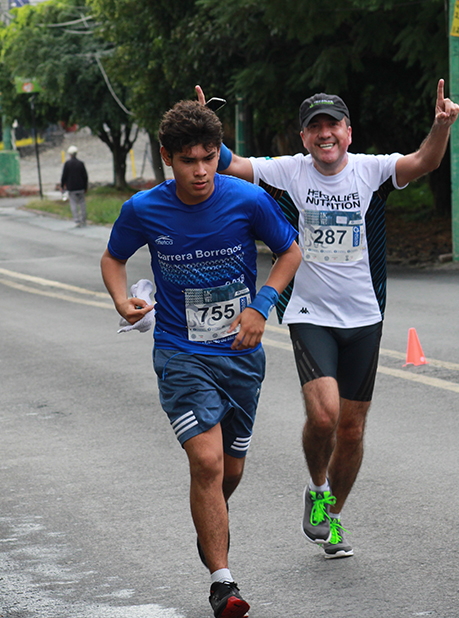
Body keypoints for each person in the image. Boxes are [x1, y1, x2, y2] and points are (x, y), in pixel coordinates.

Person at [196, 80, 459, 559]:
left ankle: (331, 515)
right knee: (324, 414)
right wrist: (206, 128)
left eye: (332, 124)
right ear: (303, 137)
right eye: (314, 127)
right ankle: (317, 487)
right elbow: (230, 163)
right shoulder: (289, 172)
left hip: (365, 315)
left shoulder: (372, 171)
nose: (325, 134)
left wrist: (440, 127)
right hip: (309, 313)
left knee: (353, 430)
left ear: (348, 131)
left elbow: (425, 161)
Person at [100, 100, 301, 618]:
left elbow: (290, 251)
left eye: (210, 157)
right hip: (179, 352)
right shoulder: (144, 209)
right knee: (206, 462)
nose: (201, 171)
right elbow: (113, 258)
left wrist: (262, 306)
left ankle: (209, 520)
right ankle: (223, 582)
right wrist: (124, 301)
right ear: (167, 157)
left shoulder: (247, 199)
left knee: (228, 473)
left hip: (240, 355)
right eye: (189, 160)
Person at [60, 145, 88, 227]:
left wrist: (62, 186)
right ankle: (83, 219)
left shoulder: (67, 164)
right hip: (81, 187)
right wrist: (85, 187)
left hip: (71, 188)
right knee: (82, 203)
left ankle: (77, 220)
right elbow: (85, 176)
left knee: (73, 204)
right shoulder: (81, 163)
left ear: (69, 154)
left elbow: (64, 176)